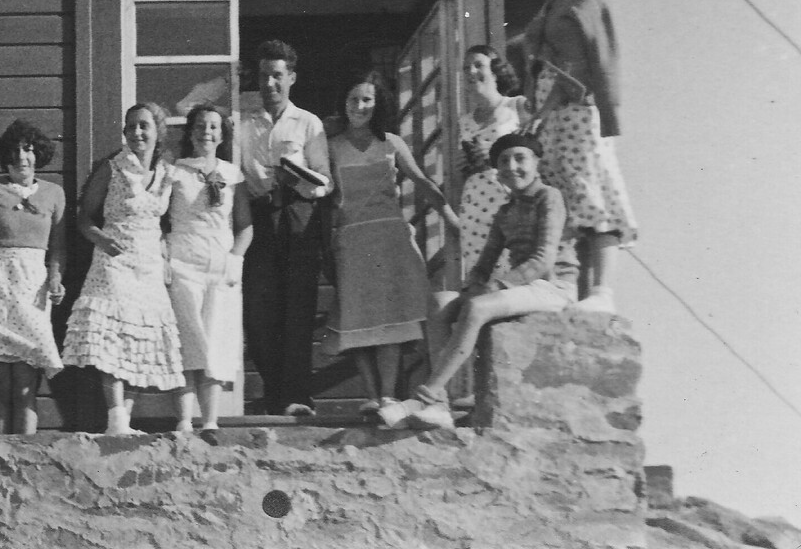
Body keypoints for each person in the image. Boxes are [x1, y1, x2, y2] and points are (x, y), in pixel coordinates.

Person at [385, 132, 577, 429]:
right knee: (439, 302)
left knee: (478, 308)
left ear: (537, 162)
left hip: (553, 287)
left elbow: (543, 260)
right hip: (524, 287)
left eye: (520, 158)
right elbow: (484, 264)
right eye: (504, 161)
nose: (512, 166)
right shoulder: (505, 211)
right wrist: (474, 286)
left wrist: (493, 289)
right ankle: (439, 408)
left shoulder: (549, 197)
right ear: (497, 170)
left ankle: (427, 395)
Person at [511, 0, 639, 311]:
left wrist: (548, 106)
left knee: (590, 191)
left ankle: (601, 293)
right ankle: (566, 289)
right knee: (562, 196)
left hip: (576, 109)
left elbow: (586, 63)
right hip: (552, 114)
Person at [325, 71, 458, 420]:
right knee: (357, 320)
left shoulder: (392, 144)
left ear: (377, 103)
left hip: (390, 240)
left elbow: (422, 182)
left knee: (390, 322)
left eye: (367, 99)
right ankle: (371, 395)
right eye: (353, 99)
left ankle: (387, 396)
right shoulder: (332, 147)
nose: (359, 106)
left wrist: (450, 218)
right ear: (344, 103)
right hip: (351, 240)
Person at [61, 102, 185, 435]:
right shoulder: (112, 168)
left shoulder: (167, 173)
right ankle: (116, 417)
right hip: (114, 261)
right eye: (131, 127)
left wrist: (165, 254)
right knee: (113, 336)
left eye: (144, 126)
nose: (137, 133)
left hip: (148, 265)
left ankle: (124, 424)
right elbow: (84, 217)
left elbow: (169, 221)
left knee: (137, 337)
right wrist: (100, 239)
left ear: (158, 132)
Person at [231, 39, 332, 417]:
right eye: (263, 76)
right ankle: (273, 392)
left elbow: (326, 181)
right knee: (258, 311)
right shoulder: (243, 123)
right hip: (258, 218)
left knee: (297, 309)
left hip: (298, 215)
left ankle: (298, 397)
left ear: (291, 78)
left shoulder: (308, 122)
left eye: (277, 76)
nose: (269, 84)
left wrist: (301, 181)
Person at [0, 119, 67, 435]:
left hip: (32, 289)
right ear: (6, 155)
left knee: (25, 386)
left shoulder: (53, 194)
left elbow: (58, 248)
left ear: (38, 155)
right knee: (0, 385)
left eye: (29, 150)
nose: (22, 158)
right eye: (16, 150)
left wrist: (56, 279)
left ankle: (26, 458)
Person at [164, 105, 252, 432]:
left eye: (214, 127)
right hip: (182, 260)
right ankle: (184, 421)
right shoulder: (175, 171)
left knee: (215, 343)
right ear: (190, 132)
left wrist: (235, 261)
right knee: (186, 341)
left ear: (222, 134)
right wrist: (163, 256)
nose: (207, 132)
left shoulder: (232, 174)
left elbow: (245, 226)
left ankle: (210, 423)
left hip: (220, 264)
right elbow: (158, 218)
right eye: (200, 126)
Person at [455, 45, 532, 279]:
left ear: (496, 70)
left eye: (479, 65)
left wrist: (495, 154)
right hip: (475, 209)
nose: (471, 71)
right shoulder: (464, 121)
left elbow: (536, 153)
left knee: (515, 271)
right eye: (466, 67)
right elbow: (462, 174)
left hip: (510, 202)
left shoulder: (517, 106)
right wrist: (463, 165)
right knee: (481, 276)